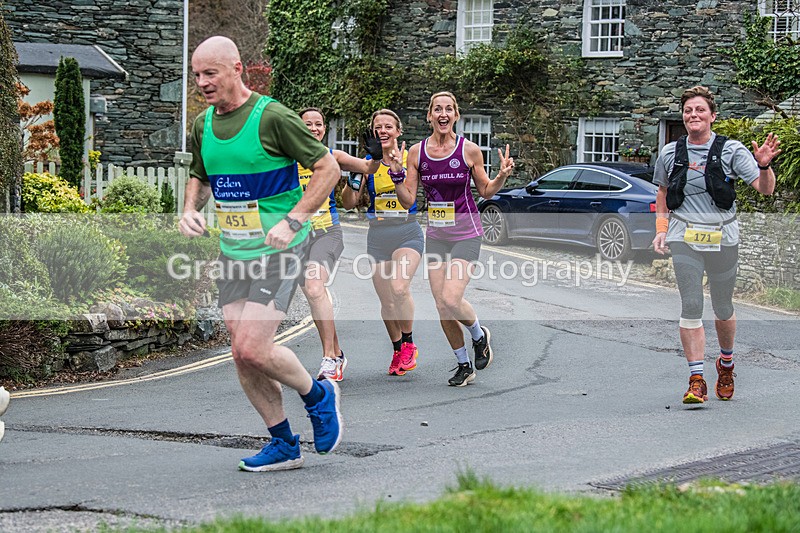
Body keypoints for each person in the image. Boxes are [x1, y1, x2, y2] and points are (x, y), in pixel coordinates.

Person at [179, 36, 343, 472]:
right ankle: (284, 443)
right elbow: (199, 172)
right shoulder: (202, 125)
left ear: (237, 69)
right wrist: (189, 209)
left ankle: (318, 394)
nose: (202, 83)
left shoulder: (271, 117)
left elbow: (328, 168)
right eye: (197, 75)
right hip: (234, 252)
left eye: (210, 73)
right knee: (241, 351)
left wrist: (294, 219)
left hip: (281, 249)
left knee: (253, 346)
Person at [652, 85, 781, 405]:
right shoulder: (670, 152)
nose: (693, 115)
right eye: (688, 111)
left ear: (712, 116)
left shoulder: (732, 150)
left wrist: (763, 165)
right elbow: (663, 195)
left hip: (723, 236)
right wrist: (661, 230)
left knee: (722, 307)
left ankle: (725, 364)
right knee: (692, 304)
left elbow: (765, 190)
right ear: (683, 117)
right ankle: (696, 379)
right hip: (685, 237)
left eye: (699, 110)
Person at [390, 92, 515, 386]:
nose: (443, 114)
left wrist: (502, 177)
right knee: (441, 305)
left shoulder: (469, 151)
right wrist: (397, 174)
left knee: (450, 298)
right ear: (429, 116)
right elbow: (408, 200)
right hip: (436, 236)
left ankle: (478, 334)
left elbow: (485, 191)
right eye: (437, 109)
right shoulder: (416, 153)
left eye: (448, 109)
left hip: (466, 234)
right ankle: (463, 364)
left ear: (456, 116)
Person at [297, 107, 381, 381]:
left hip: (327, 234)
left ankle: (329, 359)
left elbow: (368, 168)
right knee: (314, 295)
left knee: (314, 285)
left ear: (324, 129)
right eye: (307, 124)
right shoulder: (285, 160)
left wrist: (376, 155)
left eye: (318, 124)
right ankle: (337, 353)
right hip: (297, 238)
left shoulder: (332, 157)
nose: (313, 128)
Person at [342, 109, 424, 376]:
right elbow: (349, 203)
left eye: (389, 126)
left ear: (398, 132)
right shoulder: (367, 163)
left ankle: (409, 343)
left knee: (399, 289)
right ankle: (398, 349)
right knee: (387, 301)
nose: (383, 131)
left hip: (406, 232)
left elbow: (408, 201)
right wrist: (354, 178)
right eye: (378, 127)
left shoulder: (409, 160)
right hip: (377, 236)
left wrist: (397, 172)